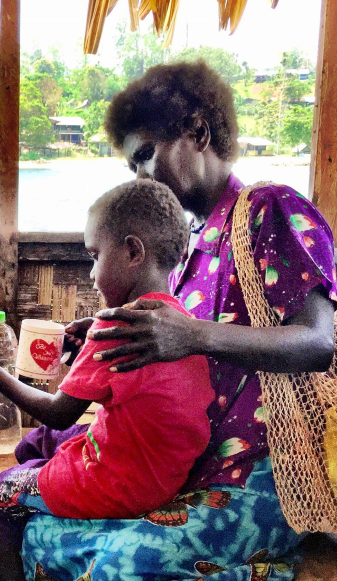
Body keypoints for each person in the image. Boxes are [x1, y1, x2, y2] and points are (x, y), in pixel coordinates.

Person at [20, 60, 337, 581]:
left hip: (266, 473)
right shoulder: (188, 250)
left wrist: (192, 334)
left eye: (146, 155)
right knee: (42, 538)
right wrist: (110, 337)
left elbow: (318, 342)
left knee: (119, 569)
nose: (143, 177)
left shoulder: (268, 209)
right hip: (185, 470)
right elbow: (171, 354)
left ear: (198, 131)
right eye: (133, 167)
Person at [0, 180, 214, 581]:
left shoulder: (116, 328)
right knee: (33, 444)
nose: (92, 274)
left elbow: (58, 413)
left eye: (95, 257)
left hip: (120, 482)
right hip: (158, 472)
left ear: (132, 251)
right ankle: (47, 487)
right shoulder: (183, 324)